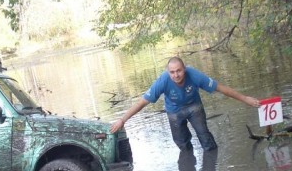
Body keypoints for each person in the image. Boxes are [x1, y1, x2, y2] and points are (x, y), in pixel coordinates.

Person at [109, 56, 260, 151]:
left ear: (184, 69)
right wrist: (122, 119)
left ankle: (212, 163)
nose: (176, 75)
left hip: (194, 106)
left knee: (205, 137)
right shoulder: (162, 81)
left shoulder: (194, 75)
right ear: (168, 72)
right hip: (174, 111)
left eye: (179, 71)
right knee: (182, 143)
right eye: (172, 72)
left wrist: (245, 98)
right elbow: (141, 103)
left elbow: (221, 89)